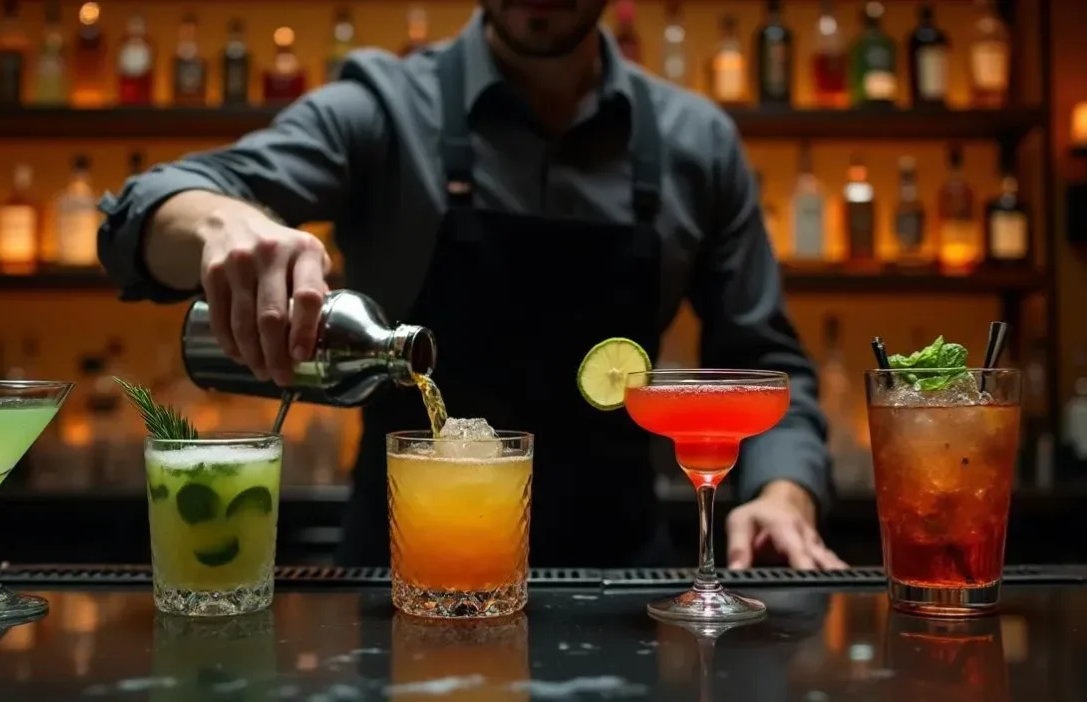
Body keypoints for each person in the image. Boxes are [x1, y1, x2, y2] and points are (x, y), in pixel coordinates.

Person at [97, 1, 846, 571]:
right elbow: (142, 216)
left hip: (622, 580)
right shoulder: (383, 107)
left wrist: (783, 493)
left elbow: (762, 358)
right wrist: (215, 223)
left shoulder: (697, 141)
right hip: (398, 579)